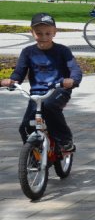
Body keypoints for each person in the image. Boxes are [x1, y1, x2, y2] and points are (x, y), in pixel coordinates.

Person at [1, 13, 82, 152]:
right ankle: (33, 156)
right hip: (36, 94)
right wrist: (12, 81)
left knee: (49, 106)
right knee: (25, 127)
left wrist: (72, 80)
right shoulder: (28, 52)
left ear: (54, 32)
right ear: (32, 33)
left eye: (48, 33)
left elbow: (75, 69)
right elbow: (19, 72)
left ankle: (65, 140)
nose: (43, 37)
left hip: (59, 89)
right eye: (39, 33)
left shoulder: (62, 51)